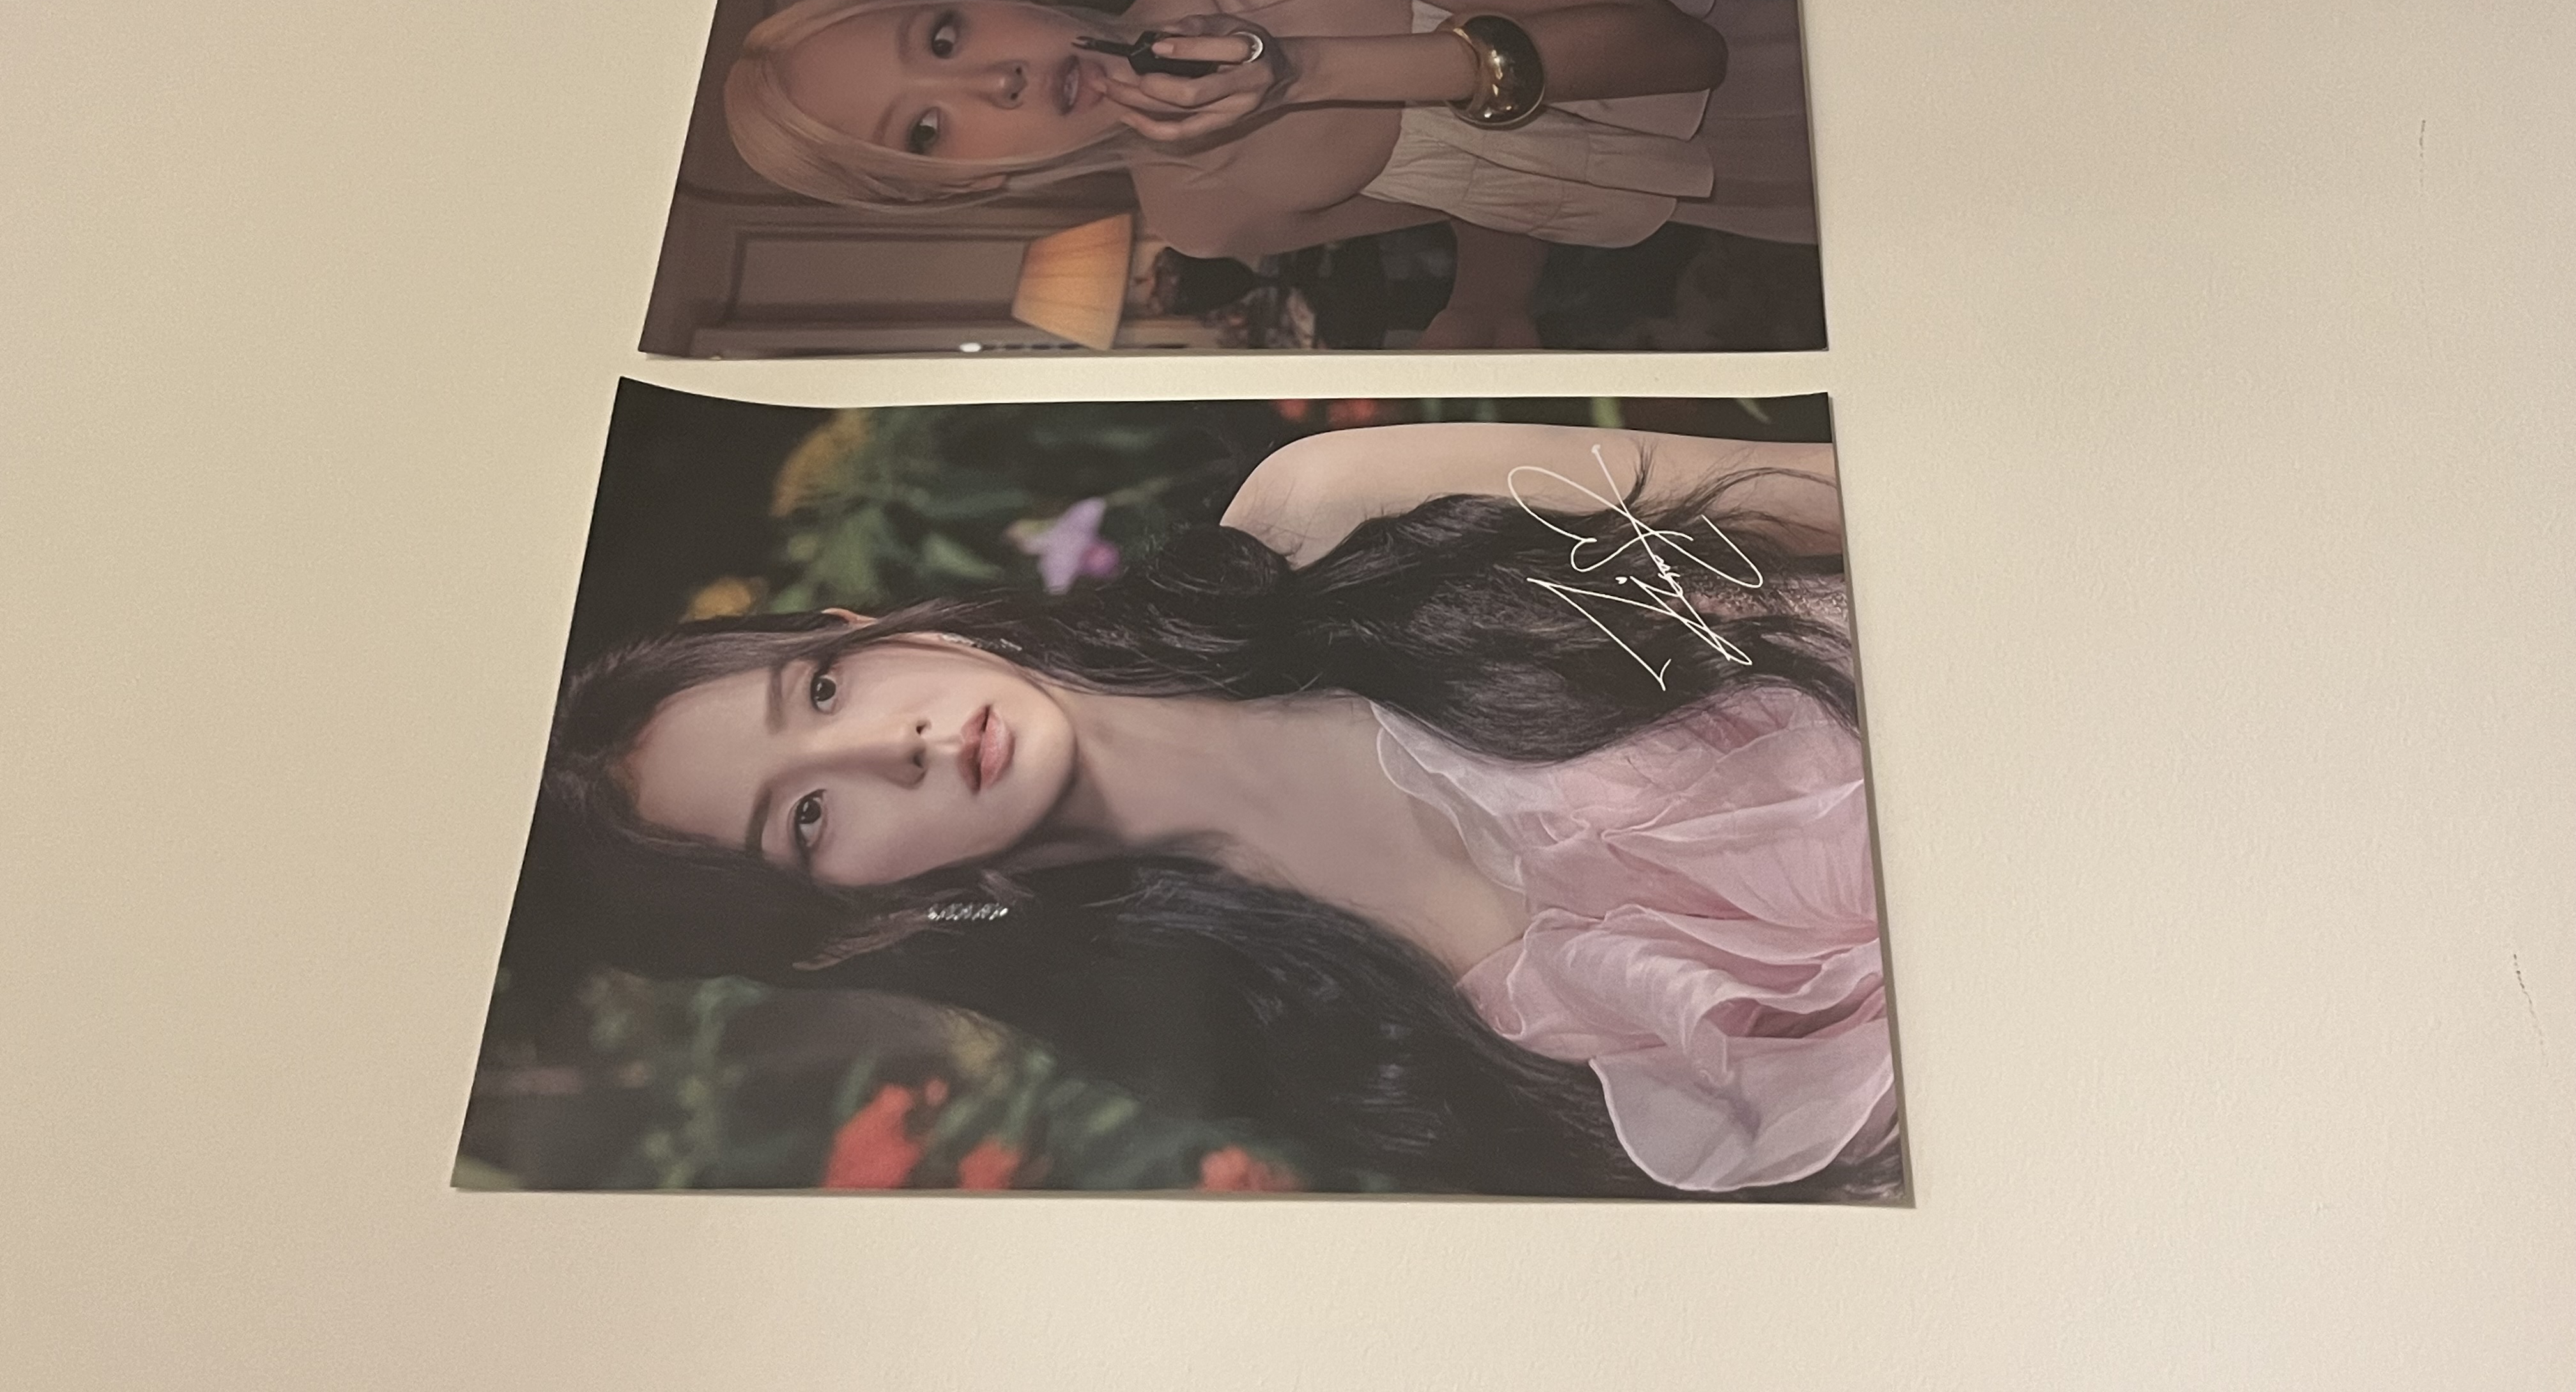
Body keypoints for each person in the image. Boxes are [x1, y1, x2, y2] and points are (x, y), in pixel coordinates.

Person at [526, 421, 1900, 1199]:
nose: (896, 746)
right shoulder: (1300, 1035)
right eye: (809, 821)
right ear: (848, 918)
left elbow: (1852, 495)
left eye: (824, 691)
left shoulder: (1325, 512)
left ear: (857, 625)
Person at [720, 0, 1820, 349]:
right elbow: (1511, 177)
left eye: (944, 34)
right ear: (963, 186)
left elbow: (1676, 51)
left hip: (1794, 18)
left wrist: (1311, 73)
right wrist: (1486, 305)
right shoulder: (1207, 220)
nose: (991, 79)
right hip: (1767, 191)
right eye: (925, 126)